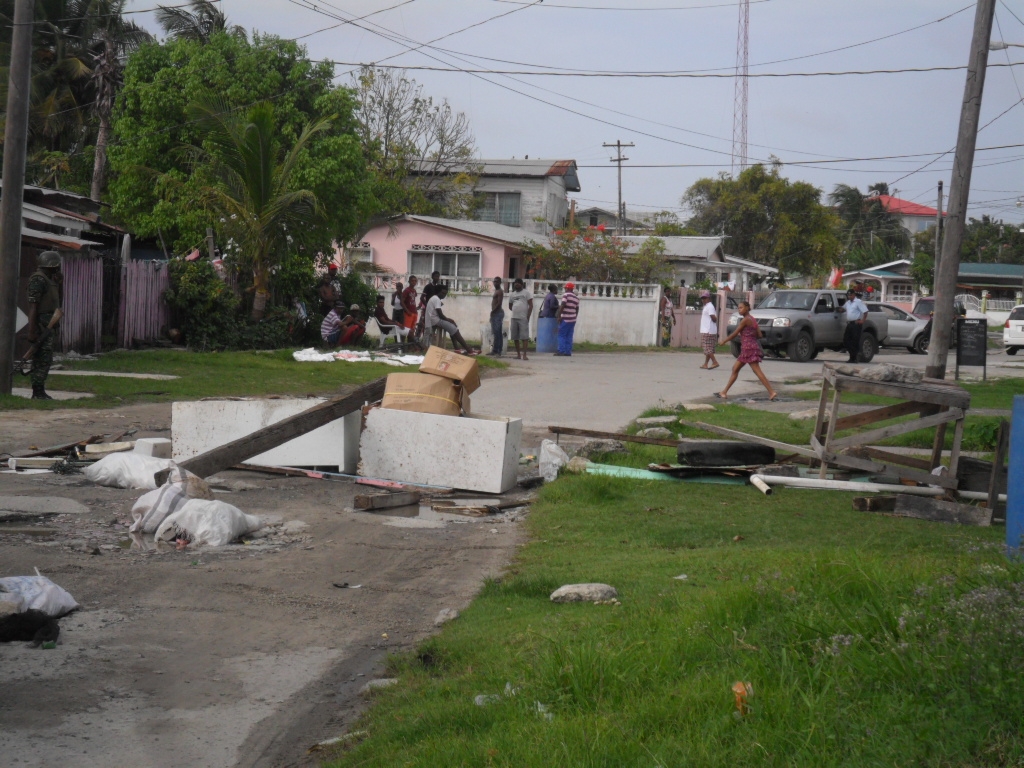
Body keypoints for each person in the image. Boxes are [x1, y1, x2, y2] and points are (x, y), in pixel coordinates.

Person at [716, 300, 777, 401]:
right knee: (735, 369)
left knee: (756, 371)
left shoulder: (745, 320)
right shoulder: (753, 319)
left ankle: (771, 392)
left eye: (741, 307)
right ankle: (724, 392)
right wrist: (750, 335)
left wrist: (724, 341)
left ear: (747, 308)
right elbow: (760, 335)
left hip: (748, 349)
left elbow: (735, 333)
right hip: (750, 348)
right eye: (738, 308)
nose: (739, 310)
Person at [25, 250, 63, 399]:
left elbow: (58, 303)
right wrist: (32, 330)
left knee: (46, 358)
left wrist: (60, 284)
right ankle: (37, 391)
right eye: (56, 266)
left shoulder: (49, 280)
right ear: (51, 265)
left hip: (50, 324)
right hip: (42, 325)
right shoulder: (38, 279)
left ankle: (40, 389)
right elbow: (33, 307)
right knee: (41, 358)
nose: (58, 269)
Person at [425, 285, 475, 354]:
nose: (444, 295)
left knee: (451, 327)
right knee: (454, 329)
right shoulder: (436, 299)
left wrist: (449, 320)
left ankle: (457, 348)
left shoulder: (434, 298)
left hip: (433, 320)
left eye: (445, 294)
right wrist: (449, 320)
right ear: (438, 292)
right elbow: (441, 315)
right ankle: (468, 349)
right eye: (442, 293)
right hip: (435, 320)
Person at [507, 277, 534, 360]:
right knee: (515, 337)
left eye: (518, 283)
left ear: (522, 284)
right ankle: (518, 354)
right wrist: (517, 310)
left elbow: (531, 305)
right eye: (515, 283)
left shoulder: (526, 293)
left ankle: (524, 355)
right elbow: (510, 306)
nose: (516, 284)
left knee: (524, 337)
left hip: (523, 318)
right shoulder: (512, 294)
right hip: (514, 318)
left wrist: (528, 316)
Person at [843, 288, 868, 363]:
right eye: (848, 295)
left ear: (854, 295)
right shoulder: (848, 303)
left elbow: (865, 312)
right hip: (849, 324)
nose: (849, 296)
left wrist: (862, 320)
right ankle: (852, 356)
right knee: (846, 341)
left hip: (856, 324)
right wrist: (837, 309)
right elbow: (843, 309)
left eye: (850, 295)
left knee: (855, 341)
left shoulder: (858, 302)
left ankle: (854, 358)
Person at [555, 281, 579, 357]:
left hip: (565, 318)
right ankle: (568, 352)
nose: (565, 289)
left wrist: (559, 316)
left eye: (565, 288)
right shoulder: (576, 298)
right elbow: (577, 309)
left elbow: (562, 305)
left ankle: (561, 351)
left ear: (567, 288)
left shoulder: (566, 295)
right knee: (569, 336)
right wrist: (575, 317)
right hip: (573, 319)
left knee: (561, 335)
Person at [698, 291, 720, 369]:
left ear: (709, 298)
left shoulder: (709, 306)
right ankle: (706, 364)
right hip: (709, 329)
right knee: (709, 348)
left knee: (707, 348)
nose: (703, 300)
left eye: (705, 298)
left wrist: (715, 318)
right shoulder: (707, 306)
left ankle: (715, 362)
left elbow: (713, 318)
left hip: (707, 330)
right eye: (702, 298)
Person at [418, 271, 442, 337]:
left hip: (435, 310)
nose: (437, 278)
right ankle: (418, 339)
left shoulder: (439, 288)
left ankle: (431, 341)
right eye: (436, 276)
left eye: (438, 277)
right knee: (424, 324)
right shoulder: (428, 286)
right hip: (428, 310)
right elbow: (422, 298)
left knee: (433, 325)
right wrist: (427, 305)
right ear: (432, 277)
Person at [489, 277, 505, 356]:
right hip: (495, 313)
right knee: (495, 333)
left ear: (500, 282)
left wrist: (493, 311)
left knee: (498, 332)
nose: (495, 283)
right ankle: (495, 350)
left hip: (498, 313)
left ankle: (499, 350)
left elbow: (499, 303)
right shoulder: (496, 291)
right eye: (494, 281)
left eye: (497, 282)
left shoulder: (500, 292)